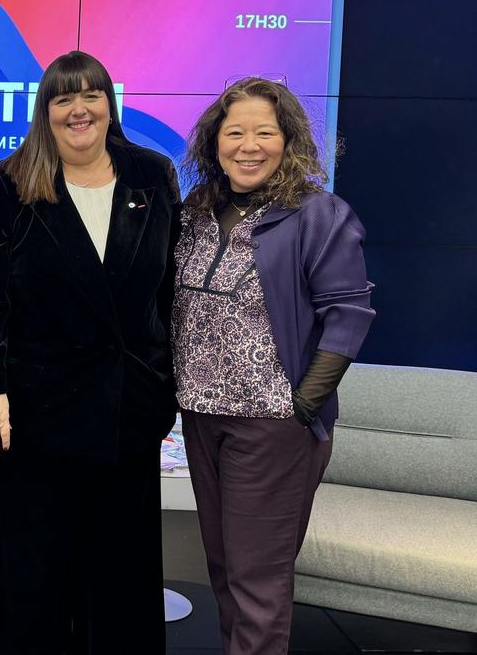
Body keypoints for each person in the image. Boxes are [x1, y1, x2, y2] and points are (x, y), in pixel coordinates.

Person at [0, 50, 182, 654]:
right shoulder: (9, 182)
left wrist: (162, 386)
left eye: (91, 95)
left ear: (109, 104)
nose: (78, 109)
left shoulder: (152, 175)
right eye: (64, 98)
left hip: (126, 409)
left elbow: (168, 291)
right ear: (46, 111)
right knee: (32, 578)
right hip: (31, 414)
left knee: (120, 576)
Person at [172, 77, 375, 655]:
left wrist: (302, 404)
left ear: (288, 140)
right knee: (224, 569)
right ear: (214, 142)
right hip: (201, 417)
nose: (248, 146)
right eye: (234, 132)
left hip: (273, 424)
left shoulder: (317, 214)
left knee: (257, 580)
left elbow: (348, 314)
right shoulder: (197, 210)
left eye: (264, 132)